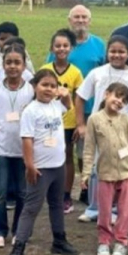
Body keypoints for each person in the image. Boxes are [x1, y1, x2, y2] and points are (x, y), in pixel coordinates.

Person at [6, 70, 80, 255]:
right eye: (44, 85)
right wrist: (30, 165)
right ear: (34, 86)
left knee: (56, 204)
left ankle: (59, 240)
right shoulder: (31, 110)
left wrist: (65, 95)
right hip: (40, 168)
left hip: (59, 165)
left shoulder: (56, 106)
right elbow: (27, 139)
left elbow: (69, 106)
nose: (49, 89)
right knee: (31, 208)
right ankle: (18, 246)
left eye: (53, 86)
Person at [74, 36, 128, 223]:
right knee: (95, 169)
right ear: (107, 53)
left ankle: (115, 209)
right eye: (113, 51)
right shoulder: (97, 73)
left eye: (121, 51)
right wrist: (81, 124)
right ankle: (94, 208)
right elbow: (80, 97)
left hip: (122, 133)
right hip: (99, 130)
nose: (117, 55)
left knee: (119, 170)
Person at [48, 4, 107, 204]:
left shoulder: (99, 45)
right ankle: (63, 192)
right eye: (76, 17)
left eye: (84, 17)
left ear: (89, 20)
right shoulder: (61, 45)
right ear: (69, 20)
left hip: (91, 109)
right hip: (62, 112)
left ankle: (86, 188)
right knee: (65, 153)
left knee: (86, 153)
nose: (80, 21)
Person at [82, 82, 128, 255]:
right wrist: (86, 173)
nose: (119, 101)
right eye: (117, 96)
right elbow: (89, 149)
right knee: (104, 210)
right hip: (105, 174)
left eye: (123, 100)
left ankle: (121, 241)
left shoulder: (126, 120)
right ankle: (104, 240)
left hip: (124, 173)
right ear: (106, 94)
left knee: (125, 211)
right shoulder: (94, 119)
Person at [0, 44, 33, 249]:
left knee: (22, 192)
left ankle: (19, 231)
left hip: (24, 150)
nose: (13, 66)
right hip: (1, 149)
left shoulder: (31, 90)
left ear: (24, 65)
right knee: (0, 192)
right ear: (3, 65)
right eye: (9, 62)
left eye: (17, 62)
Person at [39, 29, 84, 214]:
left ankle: (65, 194)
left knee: (67, 156)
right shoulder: (45, 70)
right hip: (47, 122)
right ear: (52, 48)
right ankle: (46, 191)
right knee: (44, 153)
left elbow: (79, 98)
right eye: (58, 45)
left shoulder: (75, 72)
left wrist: (79, 123)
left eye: (65, 46)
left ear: (71, 48)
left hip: (67, 122)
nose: (61, 49)